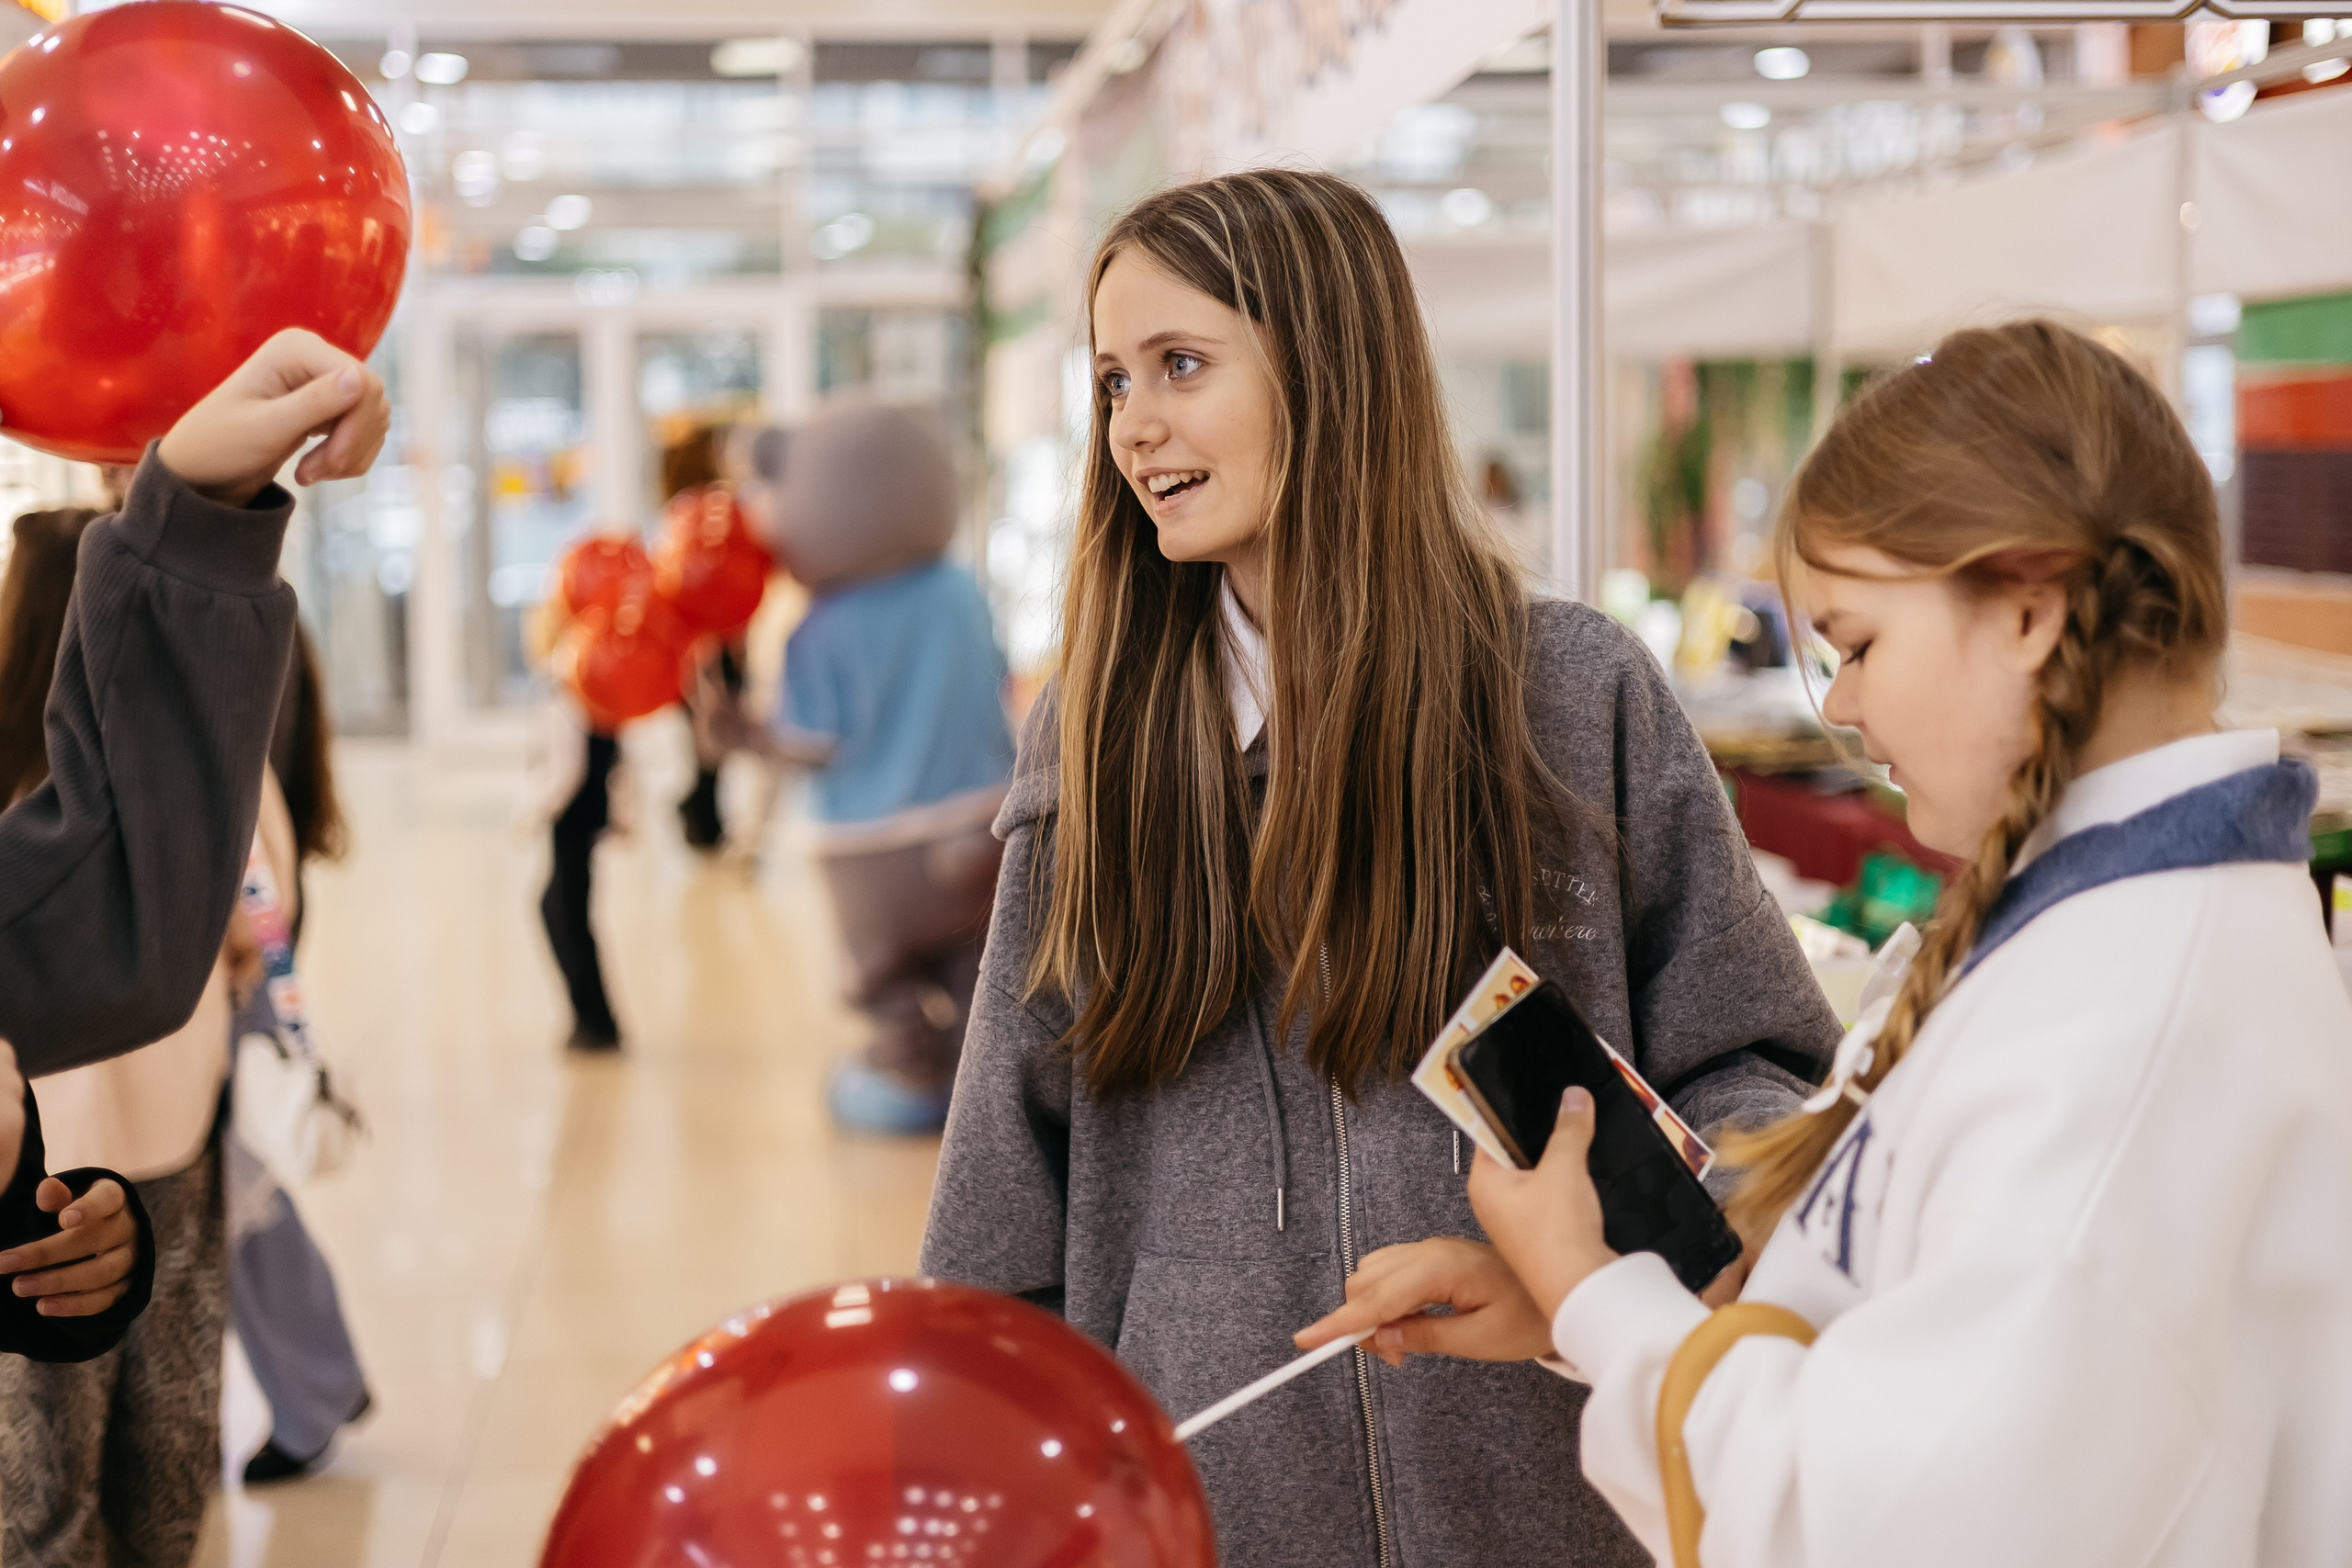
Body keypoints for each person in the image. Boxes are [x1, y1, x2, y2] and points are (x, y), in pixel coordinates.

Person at [1298, 320, 2352, 1568]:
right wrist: (1581, 1305)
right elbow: (1900, 1333)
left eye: (1857, 643)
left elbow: (1885, 1520)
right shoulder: (2098, 942)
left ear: (2028, 607)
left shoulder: (2125, 1019)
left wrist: (1598, 1293)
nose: (1842, 704)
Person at [918, 168, 1837, 1566]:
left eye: (1179, 364)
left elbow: (1756, 1067)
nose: (1133, 424)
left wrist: (1629, 1258)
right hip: (1215, 1512)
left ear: (1328, 370)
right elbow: (1004, 1174)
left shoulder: (1572, 693)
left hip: (1558, 1502)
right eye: (1110, 381)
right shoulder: (1097, 740)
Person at [0, 502, 255, 1566]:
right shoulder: (188, 784)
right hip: (161, 1147)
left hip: (59, 1173)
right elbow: (257, 931)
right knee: (163, 1445)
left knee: (49, 1473)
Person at [763, 403, 1016, 1136]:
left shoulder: (818, 631)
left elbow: (810, 744)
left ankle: (909, 1077)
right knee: (984, 973)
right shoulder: (961, 593)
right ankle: (988, 1096)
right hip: (983, 827)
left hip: (871, 856)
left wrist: (743, 736)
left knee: (886, 984)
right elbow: (999, 683)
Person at [233, 626, 373, 1485]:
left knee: (239, 1182)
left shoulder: (233, 629)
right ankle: (320, 1381)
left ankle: (316, 1387)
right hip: (254, 916)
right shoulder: (271, 625)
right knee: (239, 1180)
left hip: (236, 934)